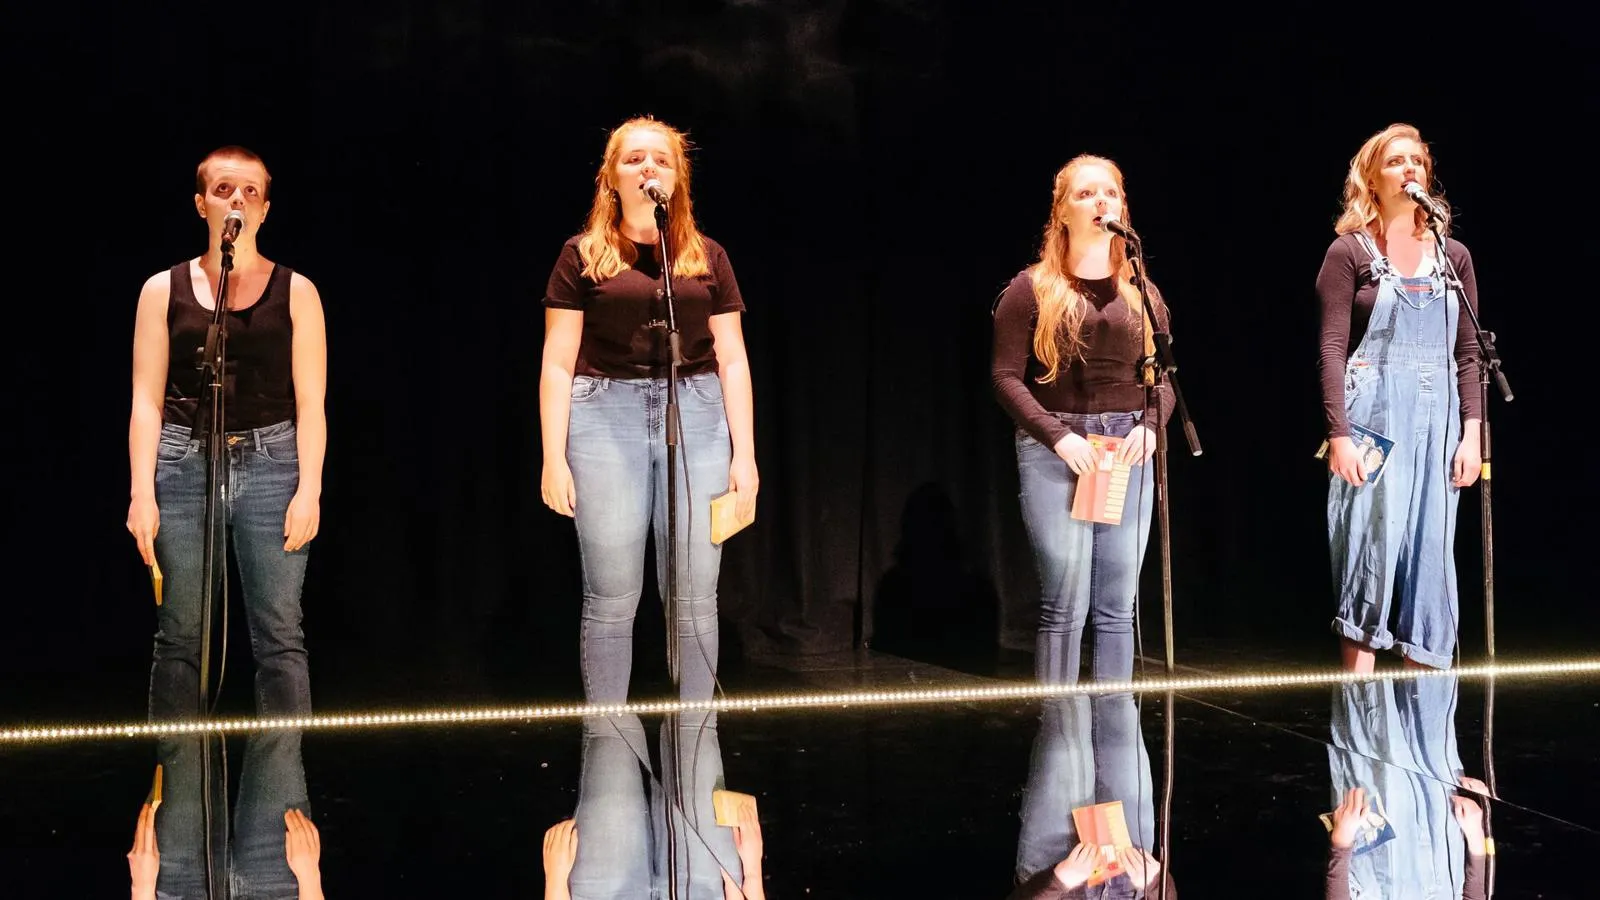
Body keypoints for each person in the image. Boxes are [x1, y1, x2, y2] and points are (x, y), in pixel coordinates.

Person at [539, 117, 758, 704]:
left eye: (660, 160)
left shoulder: (706, 255)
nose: (648, 169)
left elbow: (733, 359)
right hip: (603, 416)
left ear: (678, 176)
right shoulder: (580, 255)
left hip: (699, 415)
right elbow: (558, 361)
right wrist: (552, 457)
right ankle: (609, 746)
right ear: (611, 176)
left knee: (693, 592)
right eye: (634, 159)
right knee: (611, 594)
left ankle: (693, 742)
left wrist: (747, 458)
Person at [992, 155, 1171, 870]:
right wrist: (1061, 439)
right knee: (1064, 602)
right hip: (1058, 450)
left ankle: (1117, 730)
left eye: (1111, 191)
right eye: (1086, 192)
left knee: (1117, 606)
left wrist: (1151, 429)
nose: (1101, 201)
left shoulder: (1145, 294)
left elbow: (1162, 382)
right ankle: (1060, 729)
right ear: (1062, 211)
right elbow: (1005, 378)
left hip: (1125, 452)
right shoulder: (1028, 291)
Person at [127, 145, 327, 720]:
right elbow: (146, 399)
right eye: (223, 191)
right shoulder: (162, 290)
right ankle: (180, 796)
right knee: (180, 633)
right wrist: (142, 492)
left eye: (250, 192)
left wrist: (308, 488)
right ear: (201, 204)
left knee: (280, 635)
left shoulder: (298, 291)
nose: (236, 200)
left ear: (264, 209)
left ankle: (280, 793)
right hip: (183, 459)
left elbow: (312, 402)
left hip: (272, 461)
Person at [1317, 123, 1482, 673]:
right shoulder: (1350, 252)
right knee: (1370, 557)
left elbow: (1469, 355)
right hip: (1373, 424)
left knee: (1431, 563)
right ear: (1372, 178)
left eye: (1417, 160)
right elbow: (1332, 348)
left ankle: (1426, 747)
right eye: (1395, 161)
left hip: (1440, 427)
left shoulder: (1452, 255)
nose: (1409, 168)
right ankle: (1364, 740)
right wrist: (1338, 435)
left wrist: (1473, 436)